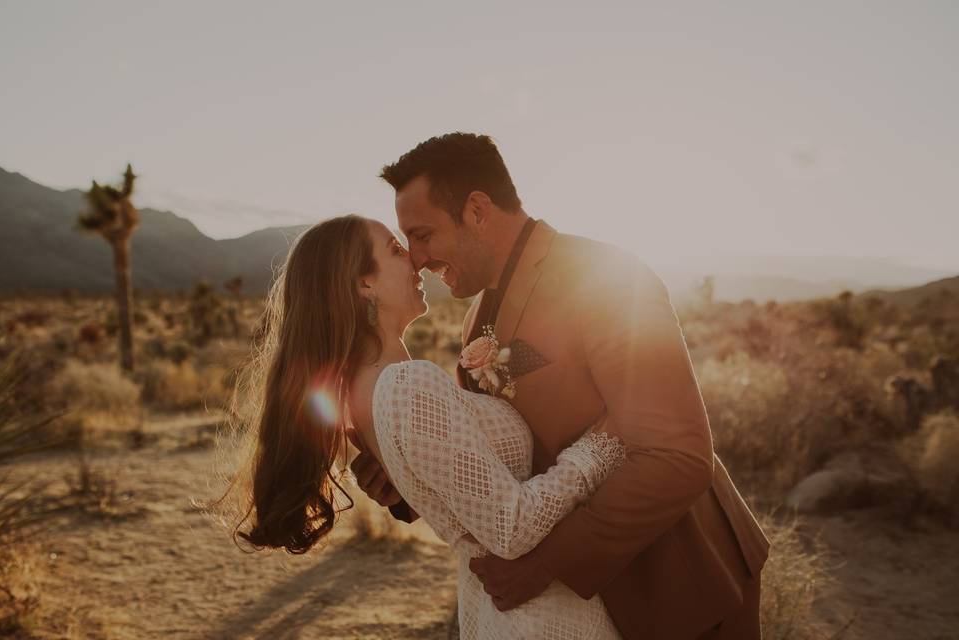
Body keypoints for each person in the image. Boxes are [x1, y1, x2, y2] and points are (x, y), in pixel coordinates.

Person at [351, 132, 770, 639]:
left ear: (478, 211)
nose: (416, 259)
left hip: (684, 586)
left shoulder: (606, 278)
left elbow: (676, 455)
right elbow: (509, 460)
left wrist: (545, 563)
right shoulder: (477, 316)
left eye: (423, 235)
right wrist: (407, 481)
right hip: (586, 609)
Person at [231, 214, 627, 638]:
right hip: (543, 617)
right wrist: (601, 446)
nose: (415, 263)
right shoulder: (406, 385)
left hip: (505, 607)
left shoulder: (363, 394)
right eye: (396, 251)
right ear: (364, 284)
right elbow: (511, 529)